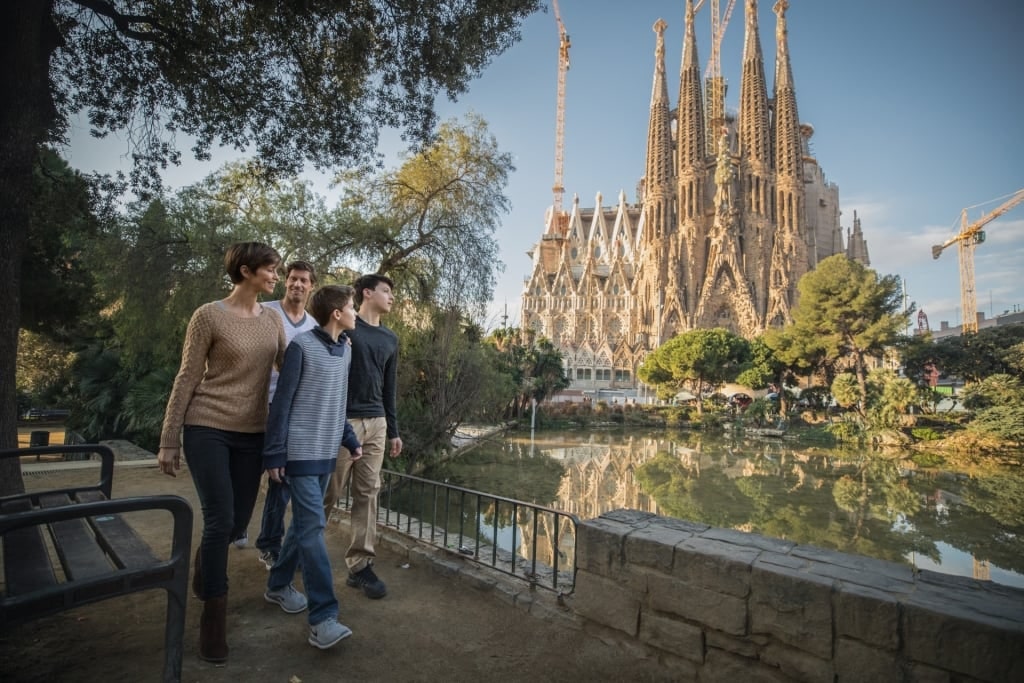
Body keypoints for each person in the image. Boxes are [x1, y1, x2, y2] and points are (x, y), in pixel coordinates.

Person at [157, 241, 286, 664]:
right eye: (271, 269)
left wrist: (338, 349)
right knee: (220, 518)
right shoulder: (208, 316)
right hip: (206, 425)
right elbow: (187, 377)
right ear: (247, 271)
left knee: (236, 522)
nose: (276, 276)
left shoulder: (272, 321)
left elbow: (293, 367)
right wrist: (169, 438)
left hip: (253, 433)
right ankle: (213, 619)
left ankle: (203, 564)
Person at [263, 285, 362, 649]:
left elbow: (337, 404)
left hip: (325, 454)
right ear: (337, 313)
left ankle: (276, 586)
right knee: (313, 529)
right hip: (300, 455)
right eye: (351, 307)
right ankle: (323, 618)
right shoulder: (301, 348)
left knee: (303, 527)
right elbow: (282, 403)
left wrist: (350, 440)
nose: (355, 312)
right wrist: (274, 454)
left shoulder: (345, 352)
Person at [323, 273, 402, 599]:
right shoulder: (347, 328)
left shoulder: (390, 339)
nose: (391, 297)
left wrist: (394, 431)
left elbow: (390, 388)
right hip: (344, 423)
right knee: (329, 491)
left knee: (368, 494)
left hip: (377, 424)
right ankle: (300, 549)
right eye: (386, 291)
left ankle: (360, 566)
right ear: (367, 293)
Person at [250, 261, 318, 568]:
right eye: (292, 279)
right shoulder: (263, 311)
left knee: (281, 480)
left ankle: (270, 544)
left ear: (311, 286)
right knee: (247, 474)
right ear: (285, 282)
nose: (297, 284)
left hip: (288, 413)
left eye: (304, 280)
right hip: (251, 407)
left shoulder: (314, 326)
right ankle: (235, 526)